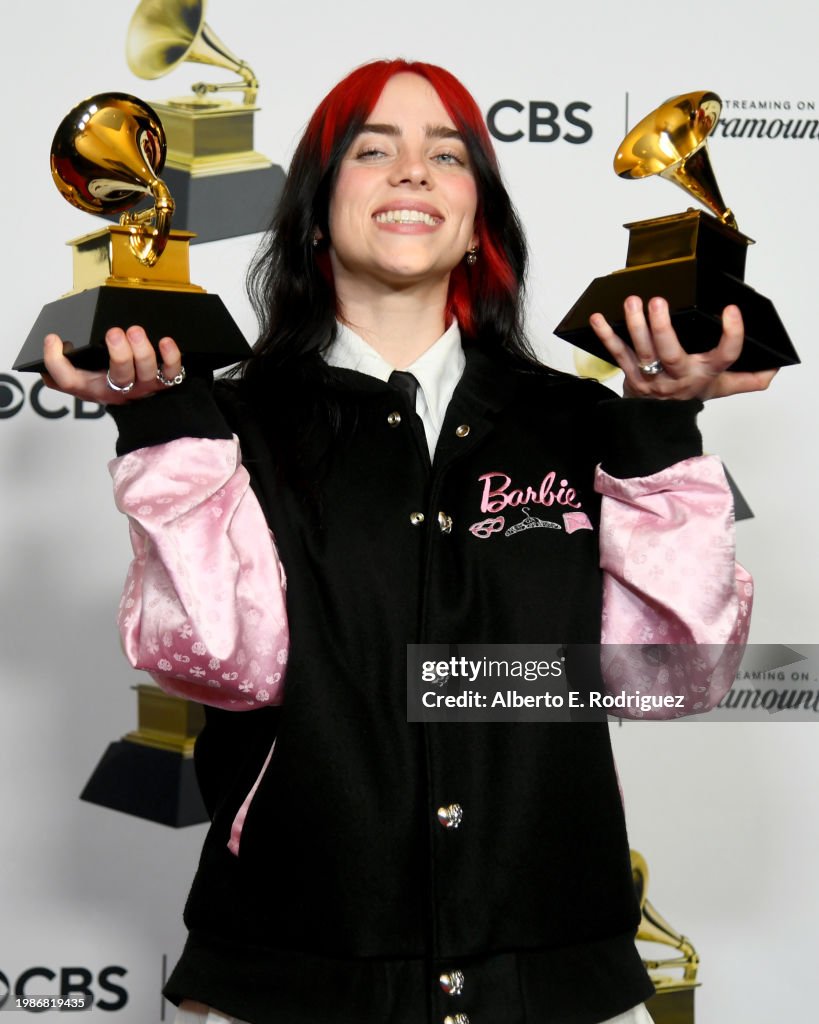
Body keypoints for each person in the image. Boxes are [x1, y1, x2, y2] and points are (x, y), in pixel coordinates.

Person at [42, 59, 773, 1024]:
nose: (411, 172)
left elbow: (666, 678)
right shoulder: (226, 423)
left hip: (559, 981)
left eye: (447, 154)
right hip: (284, 982)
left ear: (481, 222)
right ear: (311, 211)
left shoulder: (581, 421)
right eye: (371, 149)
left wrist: (660, 430)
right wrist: (163, 431)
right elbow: (222, 662)